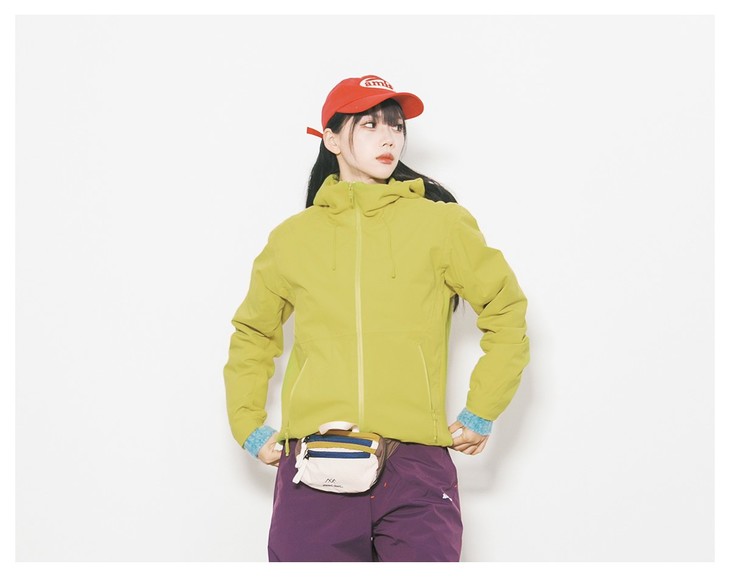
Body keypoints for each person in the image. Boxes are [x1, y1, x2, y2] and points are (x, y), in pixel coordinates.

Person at [223, 74, 530, 562]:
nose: (389, 138)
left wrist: (483, 408)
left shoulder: (441, 224)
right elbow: (253, 334)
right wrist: (248, 425)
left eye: (396, 126)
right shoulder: (293, 239)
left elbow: (506, 310)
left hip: (416, 466)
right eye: (369, 125)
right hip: (316, 464)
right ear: (331, 139)